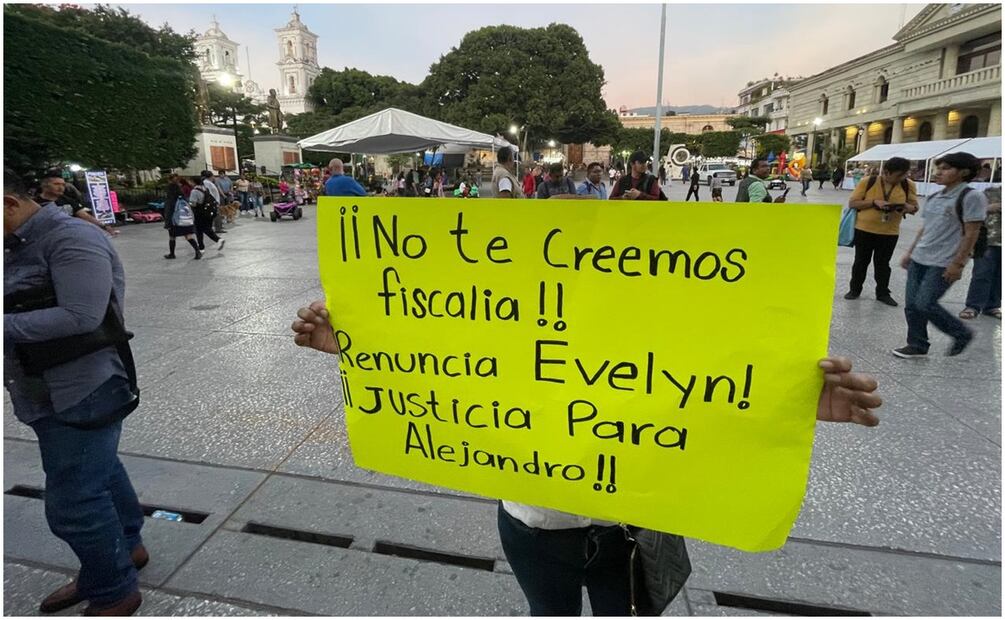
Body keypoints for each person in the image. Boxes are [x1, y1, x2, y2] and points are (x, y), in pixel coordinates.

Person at [289, 304, 882, 616]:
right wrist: (361, 346)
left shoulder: (661, 347)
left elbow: (707, 399)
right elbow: (448, 358)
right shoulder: (506, 341)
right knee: (549, 612)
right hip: (535, 524)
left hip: (635, 525)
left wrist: (791, 405)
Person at [4, 168, 147, 616]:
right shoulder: (18, 242)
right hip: (43, 386)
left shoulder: (71, 239)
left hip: (85, 386)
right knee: (99, 471)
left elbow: (81, 316)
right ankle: (128, 547)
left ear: (8, 203)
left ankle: (113, 590)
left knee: (73, 503)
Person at [893, 152, 988, 359]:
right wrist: (910, 252)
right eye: (939, 168)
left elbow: (972, 232)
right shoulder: (936, 196)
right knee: (911, 305)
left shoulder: (971, 196)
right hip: (920, 258)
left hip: (943, 262)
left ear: (963, 172)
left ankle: (961, 333)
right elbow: (926, 228)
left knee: (925, 303)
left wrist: (958, 263)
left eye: (945, 169)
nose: (939, 173)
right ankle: (917, 344)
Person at [843, 157, 919, 307]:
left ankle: (883, 293)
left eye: (904, 175)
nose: (901, 178)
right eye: (898, 175)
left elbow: (914, 207)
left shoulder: (907, 185)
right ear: (886, 172)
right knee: (860, 262)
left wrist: (905, 207)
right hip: (864, 230)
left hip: (889, 232)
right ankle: (855, 289)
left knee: (883, 264)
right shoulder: (868, 182)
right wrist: (874, 202)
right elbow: (853, 203)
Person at [960, 185, 1001, 320]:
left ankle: (992, 306)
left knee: (999, 276)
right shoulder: (990, 192)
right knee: (982, 273)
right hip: (988, 240)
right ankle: (973, 306)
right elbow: (971, 211)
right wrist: (990, 208)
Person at [36, 174, 116, 235]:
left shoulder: (68, 200)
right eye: (56, 184)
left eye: (63, 185)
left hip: (69, 235)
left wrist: (104, 226)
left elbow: (85, 216)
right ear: (45, 186)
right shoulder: (35, 203)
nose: (61, 187)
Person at [162, 174, 202, 259]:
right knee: (188, 235)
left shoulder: (170, 198)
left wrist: (167, 222)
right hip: (184, 218)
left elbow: (169, 210)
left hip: (174, 219)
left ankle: (172, 254)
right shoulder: (181, 195)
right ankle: (197, 251)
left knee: (172, 236)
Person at [189, 176, 225, 255]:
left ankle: (216, 240)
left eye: (190, 181)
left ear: (194, 182)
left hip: (199, 213)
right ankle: (202, 247)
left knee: (200, 230)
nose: (189, 183)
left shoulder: (194, 191)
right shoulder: (205, 189)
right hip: (209, 212)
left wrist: (189, 204)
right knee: (205, 228)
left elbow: (193, 203)